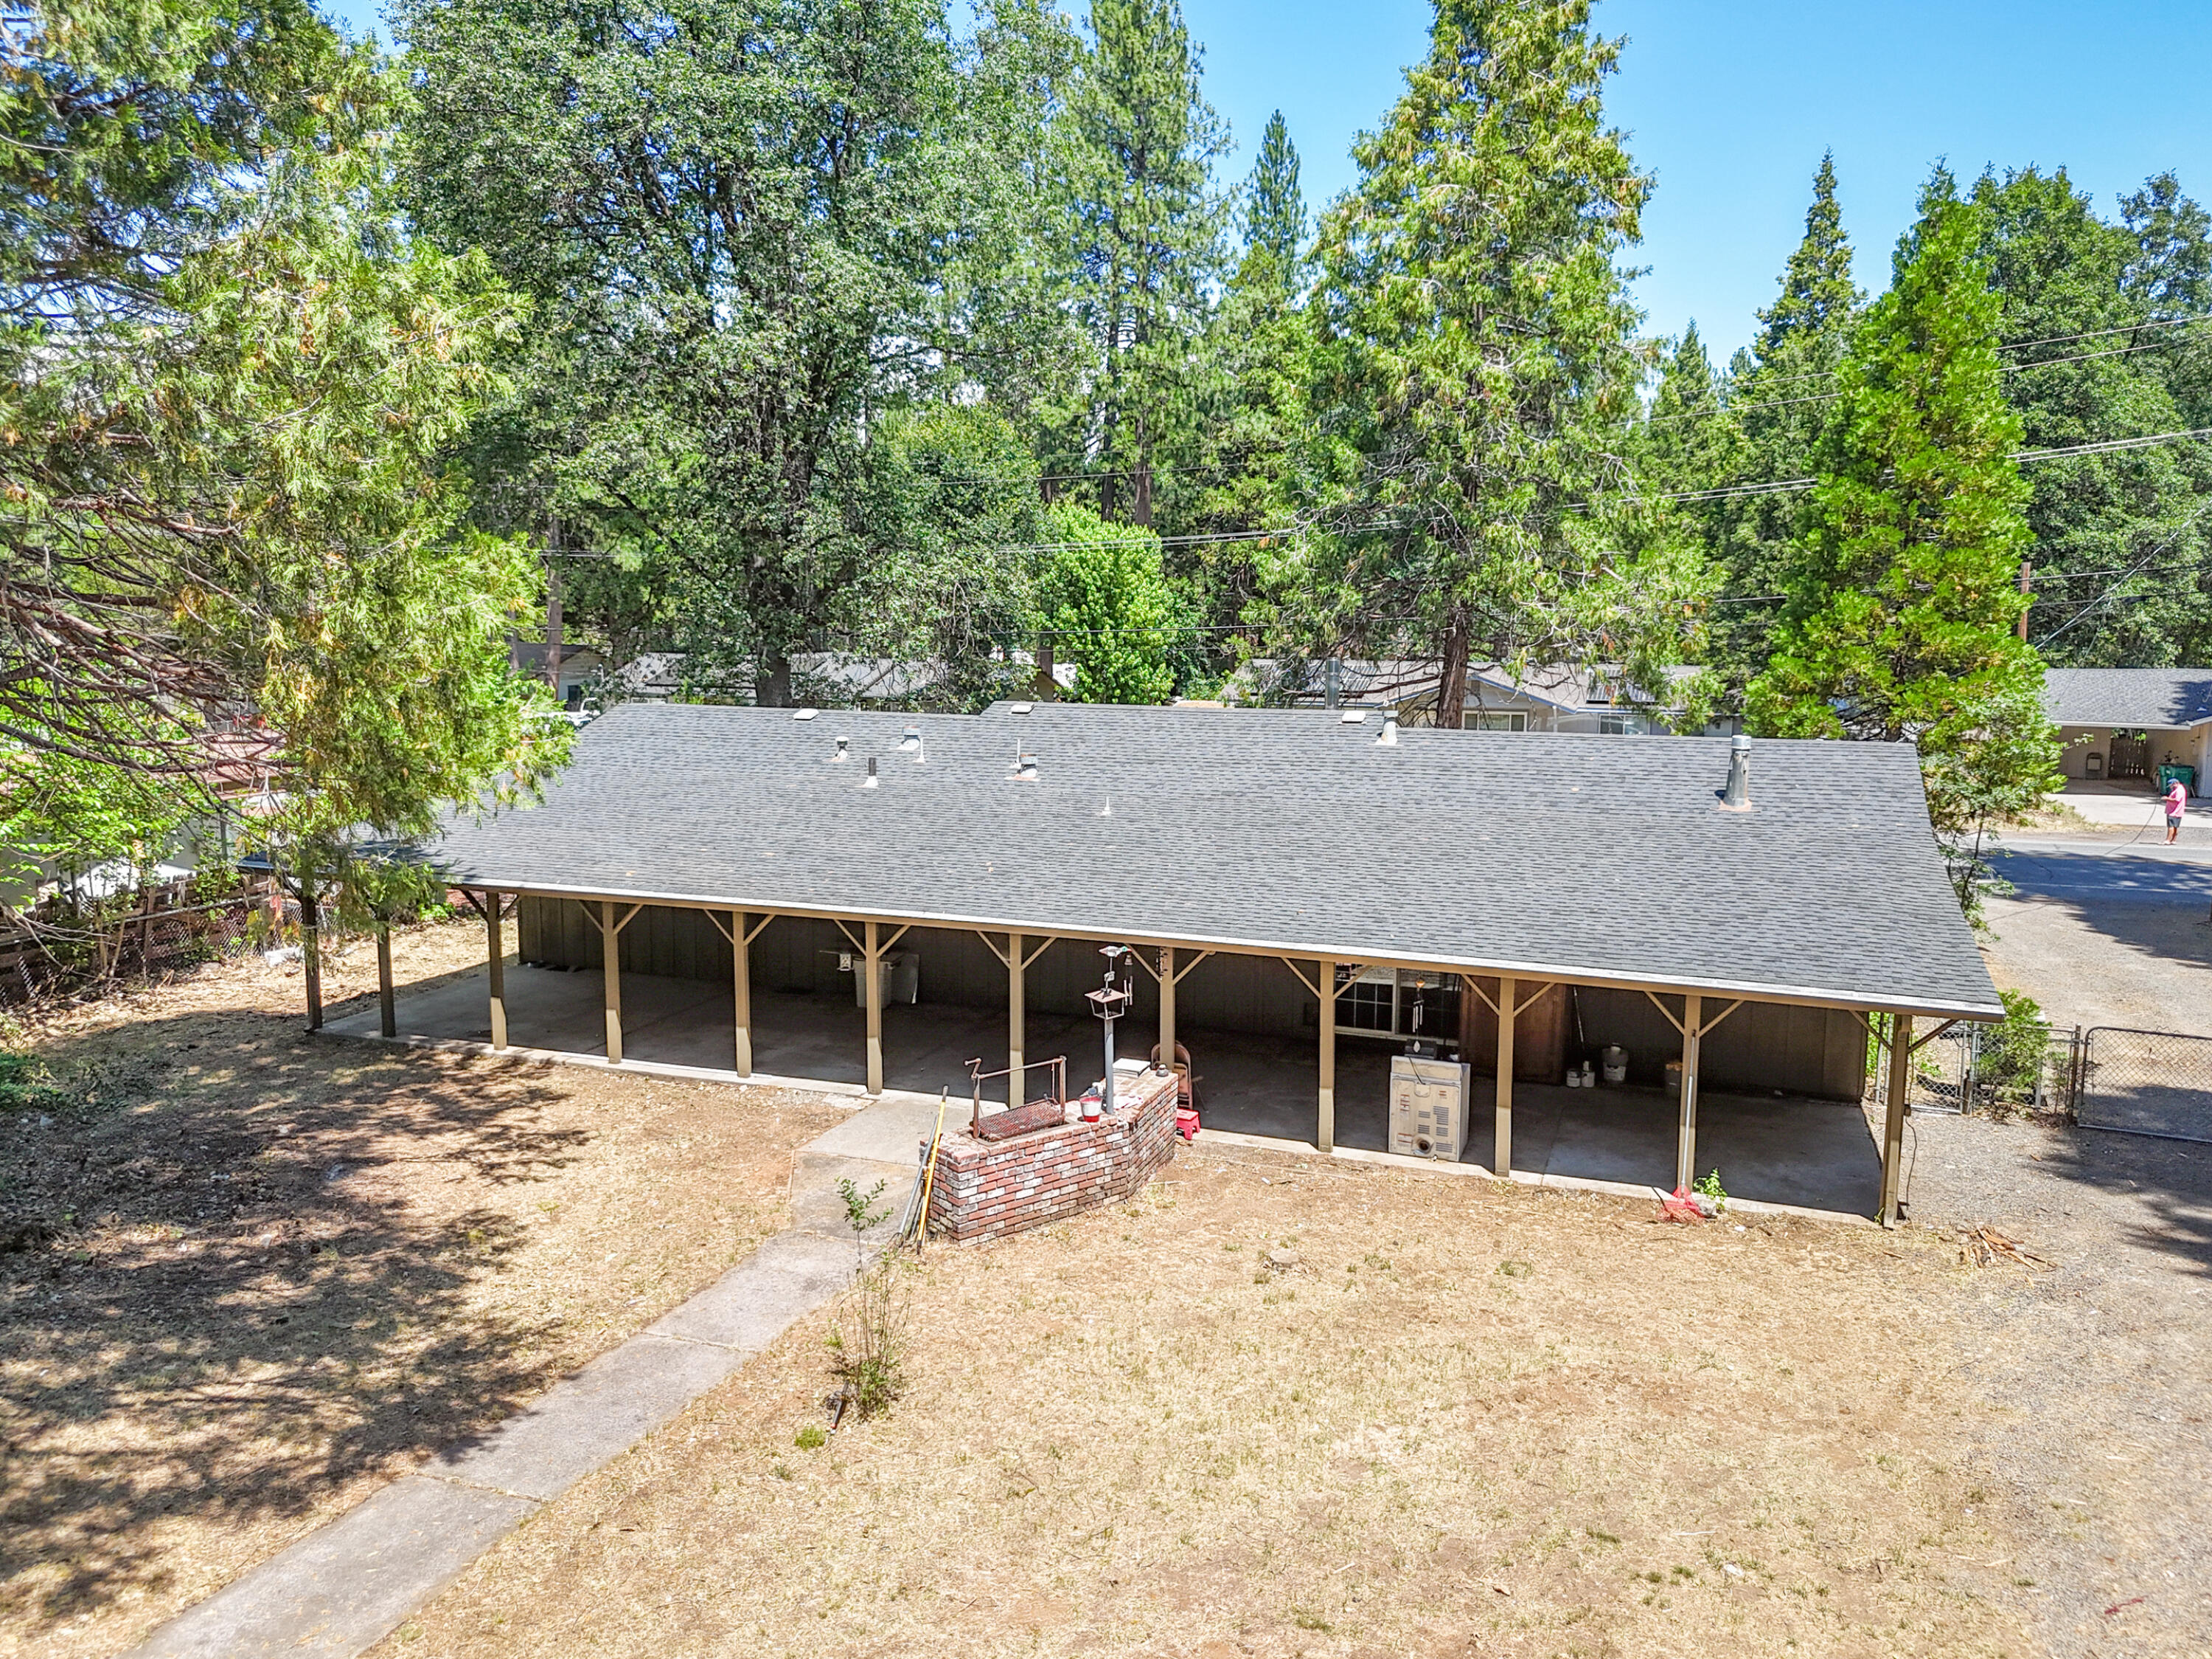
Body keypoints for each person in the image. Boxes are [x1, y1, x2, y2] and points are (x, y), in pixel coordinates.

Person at [2163, 773, 2189, 844]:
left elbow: (2177, 800)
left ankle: (2168, 840)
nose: (2171, 787)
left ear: (2175, 783)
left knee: (2171, 826)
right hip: (2175, 811)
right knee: (2175, 826)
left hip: (2174, 811)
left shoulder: (2179, 790)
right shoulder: (2178, 789)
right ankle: (2173, 840)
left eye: (2172, 785)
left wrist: (2167, 799)